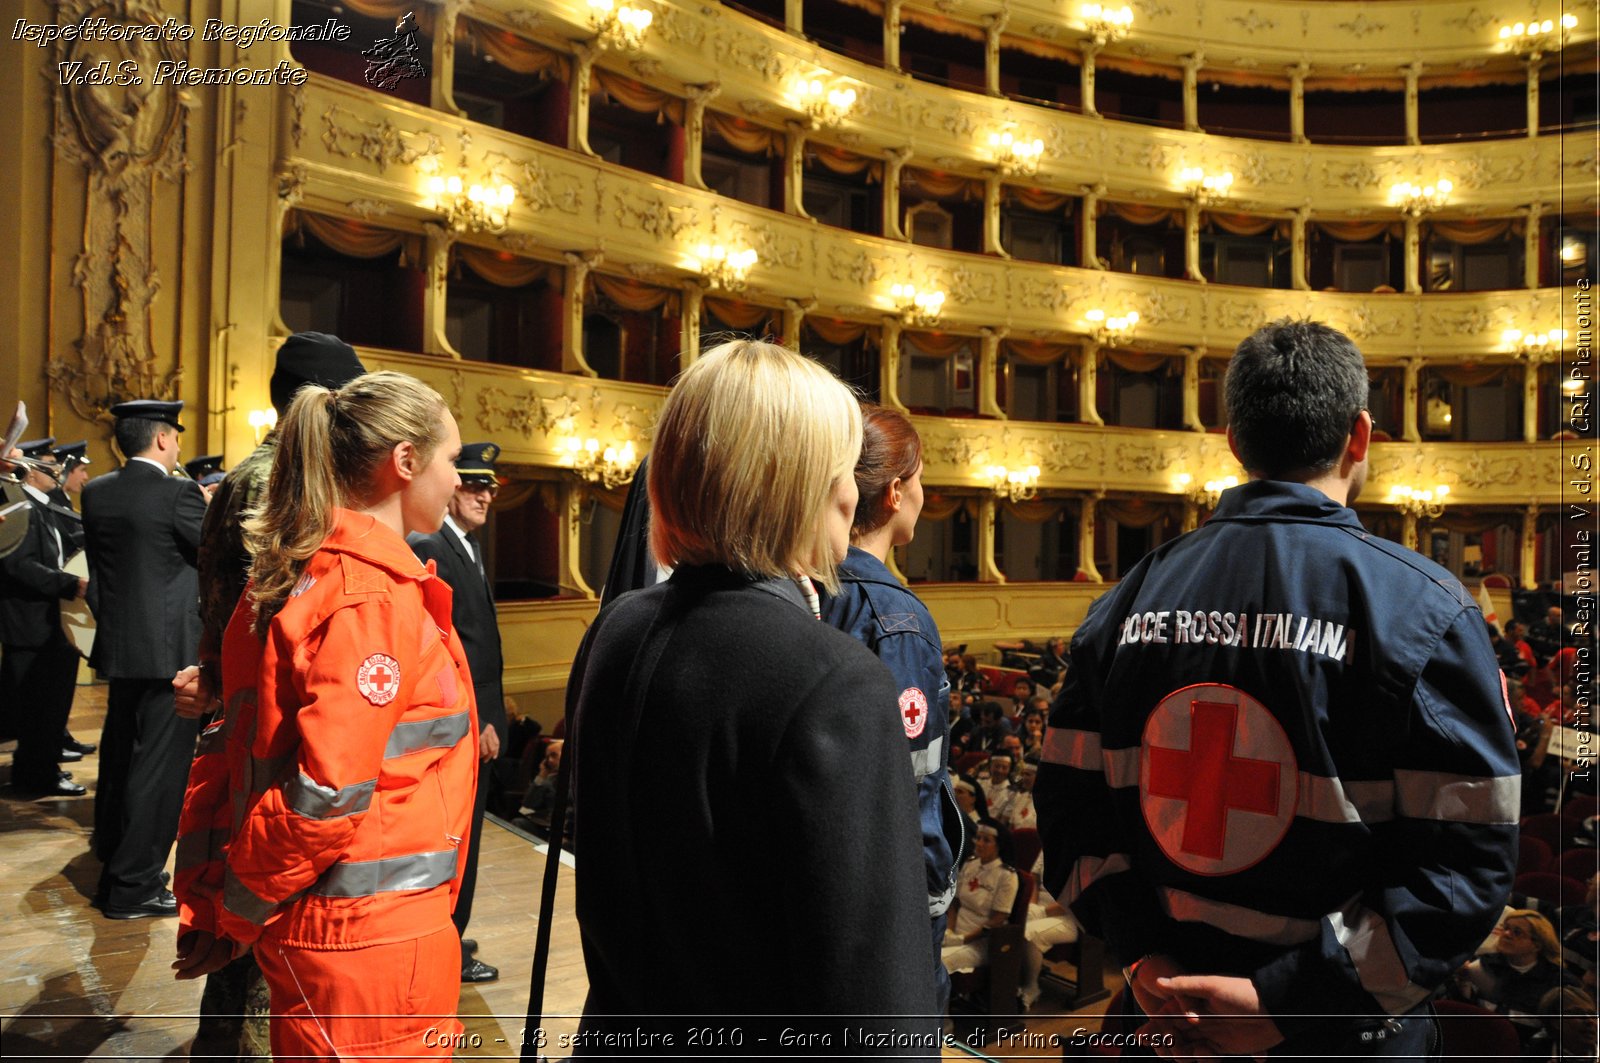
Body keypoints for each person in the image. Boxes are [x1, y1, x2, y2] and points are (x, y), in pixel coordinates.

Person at [1036, 319, 1520, 1058]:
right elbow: (1464, 868)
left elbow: (1070, 815)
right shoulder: (1423, 607)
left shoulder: (1126, 600)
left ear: (1234, 441)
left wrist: (1143, 957)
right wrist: (1292, 1001)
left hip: (1163, 1019)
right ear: (1360, 437)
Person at [567, 340, 934, 1050]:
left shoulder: (617, 629)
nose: (850, 492)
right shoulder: (834, 681)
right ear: (801, 485)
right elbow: (877, 1011)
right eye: (837, 469)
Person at [172, 370, 477, 1061]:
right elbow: (324, 793)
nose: (459, 479)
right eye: (452, 459)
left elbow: (241, 752)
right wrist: (242, 905)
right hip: (365, 938)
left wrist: (225, 897)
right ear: (404, 461)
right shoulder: (369, 596)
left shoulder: (308, 571)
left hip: (343, 927)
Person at [173, 330, 367, 1060]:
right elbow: (274, 614)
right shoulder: (284, 478)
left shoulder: (254, 471)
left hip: (246, 709)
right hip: (267, 723)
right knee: (267, 922)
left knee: (244, 919)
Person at [820, 402, 965, 1018]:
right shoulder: (896, 619)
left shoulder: (806, 585)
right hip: (892, 900)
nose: (925, 495)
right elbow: (912, 784)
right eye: (923, 479)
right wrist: (932, 897)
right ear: (896, 490)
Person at [81, 399, 206, 918]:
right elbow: (216, 553)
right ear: (161, 439)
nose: (177, 446)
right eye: (175, 437)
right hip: (169, 655)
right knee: (159, 772)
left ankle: (113, 855)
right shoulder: (178, 493)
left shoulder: (96, 491)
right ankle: (133, 887)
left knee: (120, 758)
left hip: (121, 647)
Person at [409, 440, 507, 985]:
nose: (484, 495)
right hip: (470, 720)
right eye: (472, 483)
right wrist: (476, 719)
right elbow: (445, 647)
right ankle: (448, 940)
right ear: (451, 490)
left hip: (483, 713)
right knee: (457, 842)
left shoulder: (463, 544)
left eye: (489, 486)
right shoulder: (435, 544)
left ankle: (452, 928)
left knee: (467, 839)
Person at [1, 440, 87, 795]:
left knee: (52, 706)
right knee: (36, 709)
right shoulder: (19, 507)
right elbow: (17, 565)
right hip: (29, 625)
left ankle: (45, 768)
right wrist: (71, 584)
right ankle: (34, 776)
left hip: (52, 622)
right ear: (30, 473)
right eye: (48, 465)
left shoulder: (47, 507)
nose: (56, 470)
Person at [941, 823, 1019, 975]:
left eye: (986, 840)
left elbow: (998, 918)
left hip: (979, 943)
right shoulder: (970, 864)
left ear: (999, 846)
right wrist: (949, 930)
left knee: (938, 961)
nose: (979, 843)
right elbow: (955, 903)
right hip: (955, 932)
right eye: (978, 838)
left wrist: (963, 939)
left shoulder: (1007, 876)